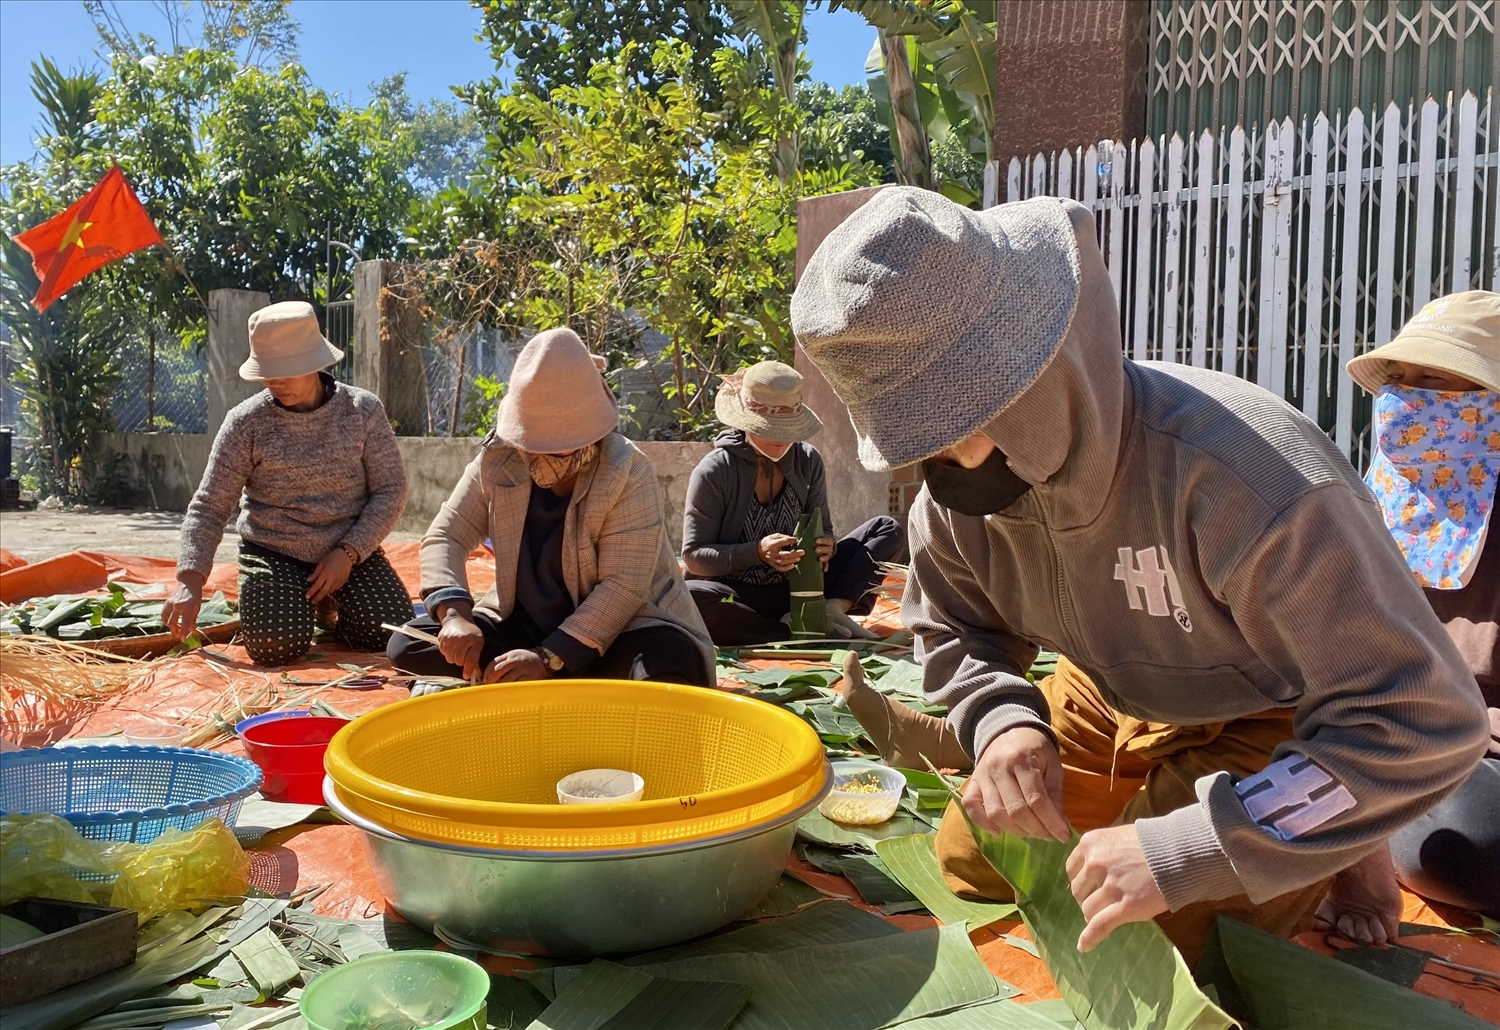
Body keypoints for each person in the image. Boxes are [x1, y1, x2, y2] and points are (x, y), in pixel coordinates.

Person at [790, 186, 1488, 963]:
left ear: (1035, 381)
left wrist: (1191, 846)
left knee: (1140, 941)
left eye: (947, 430)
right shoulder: (955, 502)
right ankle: (1166, 801)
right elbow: (954, 628)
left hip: (1272, 715)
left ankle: (1341, 846)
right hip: (1108, 690)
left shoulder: (1249, 483)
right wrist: (1003, 725)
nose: (933, 466)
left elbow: (1422, 721)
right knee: (974, 859)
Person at [1311, 293, 1499, 934]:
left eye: (1435, 380)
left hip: (1475, 754)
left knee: (1469, 846)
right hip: (1375, 734)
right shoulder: (1383, 491)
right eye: (1401, 380)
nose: (1407, 400)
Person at [387, 327, 716, 689]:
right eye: (529, 446)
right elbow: (447, 535)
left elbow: (622, 588)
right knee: (410, 642)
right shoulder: (499, 460)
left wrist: (550, 658)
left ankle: (547, 680)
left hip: (624, 628)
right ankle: (548, 683)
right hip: (526, 626)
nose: (535, 459)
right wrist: (454, 616)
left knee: (670, 664)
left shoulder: (626, 470)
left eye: (554, 449)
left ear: (588, 439)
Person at [165, 301, 413, 666]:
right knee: (273, 646)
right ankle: (295, 601)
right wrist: (190, 580)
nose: (274, 382)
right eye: (267, 373)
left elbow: (391, 490)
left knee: (390, 634)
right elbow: (209, 506)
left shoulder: (362, 411)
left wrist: (348, 553)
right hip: (274, 551)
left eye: (286, 371)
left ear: (316, 362)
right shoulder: (245, 423)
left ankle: (330, 606)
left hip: (349, 551)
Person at [682, 360, 905, 645]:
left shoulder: (807, 460)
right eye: (769, 427)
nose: (779, 438)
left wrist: (826, 544)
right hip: (740, 594)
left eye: (786, 428)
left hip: (803, 589)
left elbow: (823, 527)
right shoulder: (715, 471)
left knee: (885, 529)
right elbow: (694, 557)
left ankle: (832, 609)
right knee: (691, 601)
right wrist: (757, 552)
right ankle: (790, 632)